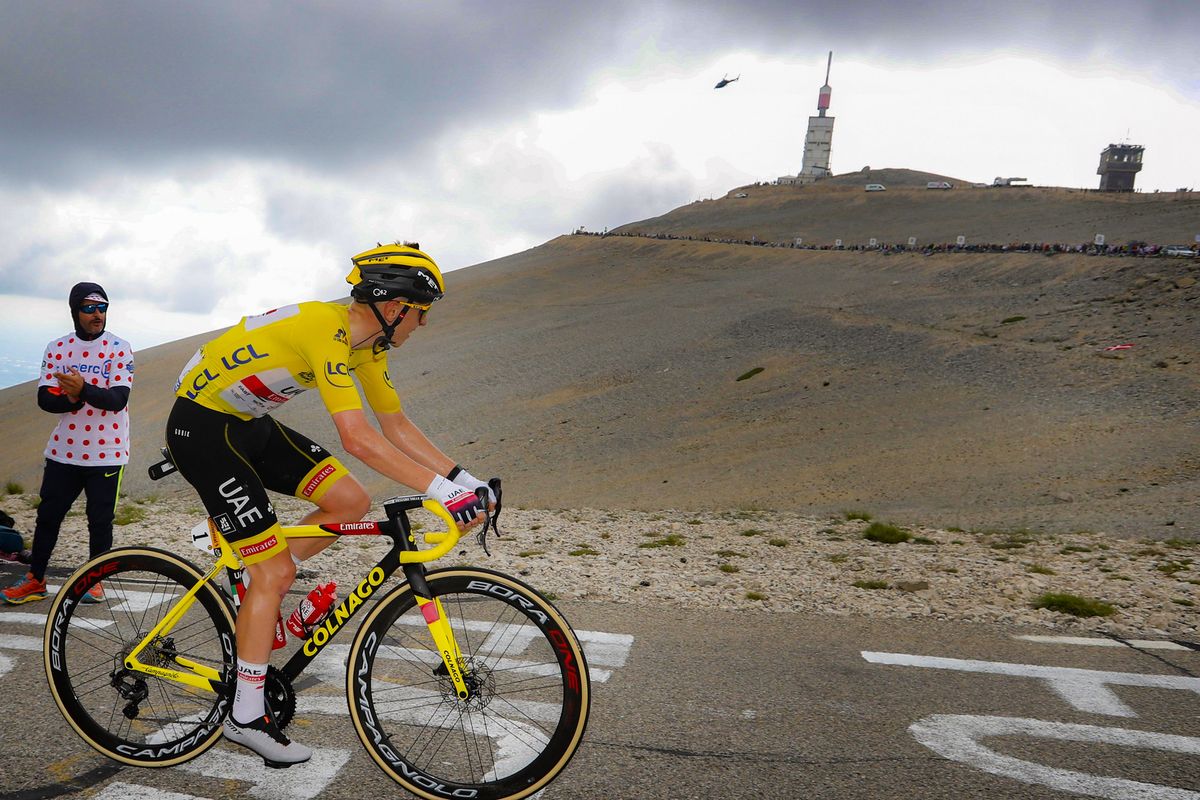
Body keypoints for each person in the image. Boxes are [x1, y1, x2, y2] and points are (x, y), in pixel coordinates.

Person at [165, 242, 492, 768]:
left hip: (249, 425)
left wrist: (464, 480)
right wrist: (439, 492)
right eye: (423, 312)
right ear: (395, 307)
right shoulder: (328, 329)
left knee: (350, 500)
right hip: (201, 428)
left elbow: (396, 425)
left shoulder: (367, 346)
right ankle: (245, 715)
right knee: (272, 572)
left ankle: (257, 580)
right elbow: (358, 438)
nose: (423, 325)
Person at [3, 283, 134, 605]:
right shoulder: (58, 348)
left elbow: (117, 399)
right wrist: (75, 399)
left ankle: (96, 581)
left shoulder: (119, 348)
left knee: (99, 520)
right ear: (75, 310)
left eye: (102, 308)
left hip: (107, 451)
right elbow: (45, 399)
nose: (97, 314)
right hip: (65, 450)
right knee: (48, 516)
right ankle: (35, 579)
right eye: (89, 308)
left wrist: (82, 389)